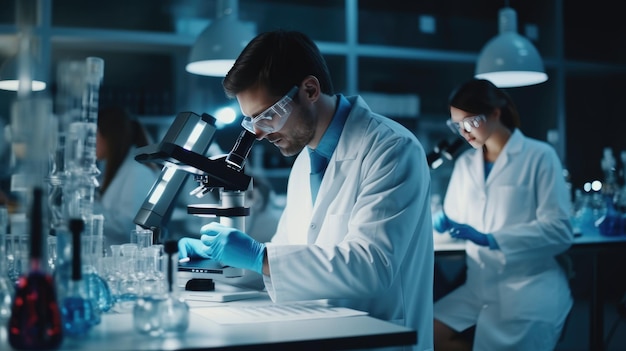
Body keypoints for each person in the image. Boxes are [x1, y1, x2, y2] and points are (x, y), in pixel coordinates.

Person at [177, 29, 434, 351]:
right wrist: (222, 262)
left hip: (379, 336)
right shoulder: (304, 162)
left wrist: (260, 256)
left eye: (267, 115)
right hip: (315, 331)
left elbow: (373, 266)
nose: (257, 133)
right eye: (250, 121)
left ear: (310, 90)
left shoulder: (392, 148)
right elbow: (291, 260)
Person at [431, 79, 573, 350]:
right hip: (478, 288)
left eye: (470, 122)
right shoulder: (464, 165)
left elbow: (560, 231)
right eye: (457, 125)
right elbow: (454, 218)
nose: (463, 132)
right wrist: (442, 222)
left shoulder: (539, 156)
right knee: (427, 336)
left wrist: (493, 239)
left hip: (528, 289)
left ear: (496, 113)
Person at [94, 105, 160, 248]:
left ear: (109, 136)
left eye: (95, 135)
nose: (91, 143)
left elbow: (128, 228)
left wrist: (88, 209)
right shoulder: (118, 170)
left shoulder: (138, 172)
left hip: (128, 260)